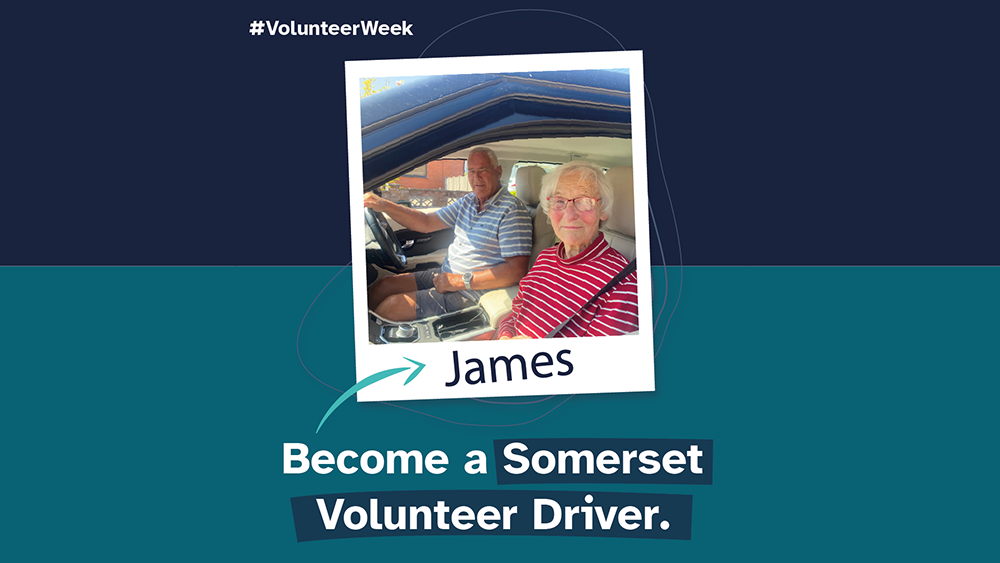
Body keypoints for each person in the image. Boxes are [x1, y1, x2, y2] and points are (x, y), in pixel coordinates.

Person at [364, 146, 532, 321]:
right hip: (447, 274)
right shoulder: (468, 201)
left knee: (392, 307)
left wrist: (460, 281)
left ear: (498, 172)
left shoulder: (512, 211)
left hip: (472, 292)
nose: (476, 178)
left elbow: (516, 271)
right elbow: (426, 222)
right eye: (472, 172)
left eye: (483, 170)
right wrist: (383, 205)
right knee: (384, 285)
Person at [497, 161, 638, 339]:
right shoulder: (546, 257)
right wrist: (505, 337)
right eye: (559, 201)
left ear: (603, 210)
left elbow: (596, 363)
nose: (569, 214)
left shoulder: (625, 286)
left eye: (584, 201)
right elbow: (517, 313)